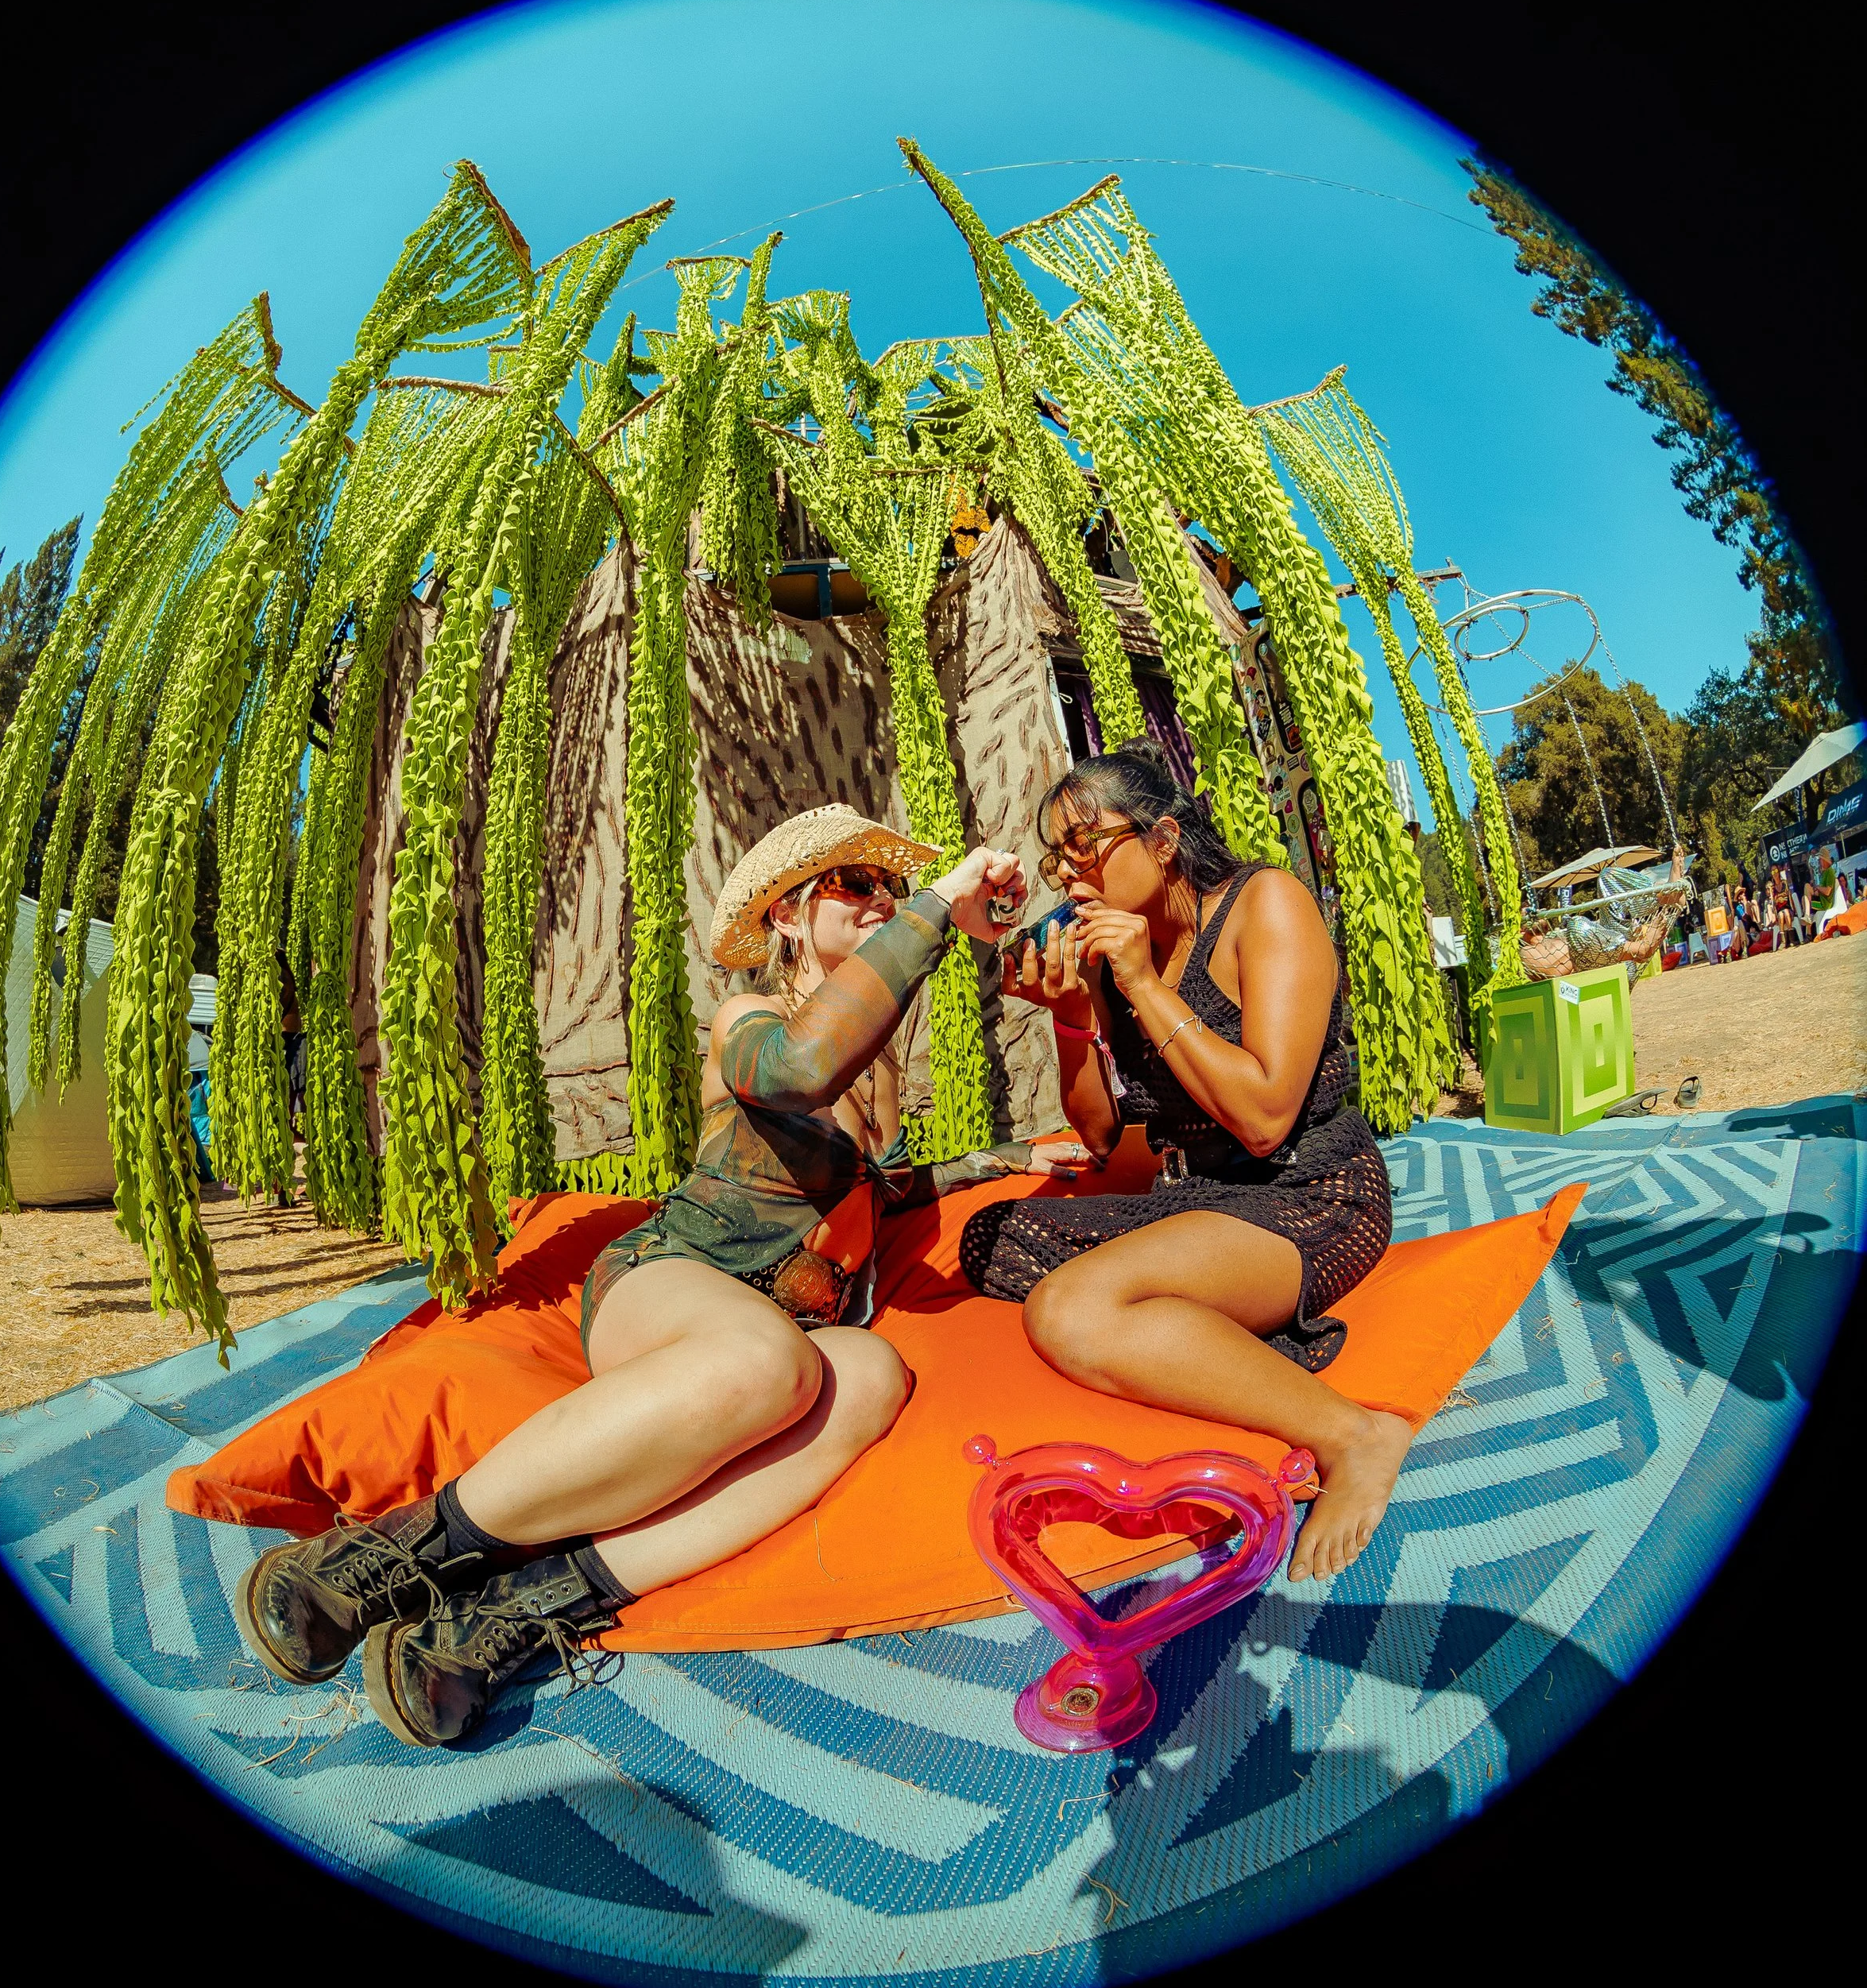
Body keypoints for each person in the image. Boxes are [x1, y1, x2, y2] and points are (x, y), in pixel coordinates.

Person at [234, 804, 1065, 1746]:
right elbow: (798, 1070)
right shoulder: (750, 1019)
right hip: (676, 1272)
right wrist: (937, 908)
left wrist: (1007, 1156)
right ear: (787, 916)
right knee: (769, 1362)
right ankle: (377, 1558)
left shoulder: (875, 1067)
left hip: (779, 1314)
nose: (882, 899)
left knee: (873, 1376)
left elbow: (870, 1184)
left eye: (890, 886)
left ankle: (517, 1611)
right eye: (854, 883)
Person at [966, 740, 1399, 1584]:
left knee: (1071, 1311)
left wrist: (1142, 983)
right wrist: (1067, 1016)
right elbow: (1099, 1138)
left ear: (1161, 840)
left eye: (1084, 846)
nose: (1067, 873)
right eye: (1057, 858)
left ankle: (1353, 1432)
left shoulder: (1263, 904)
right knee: (988, 1238)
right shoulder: (1113, 954)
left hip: (1308, 1193)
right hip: (1199, 1195)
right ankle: (1194, 1314)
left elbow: (1267, 1115)